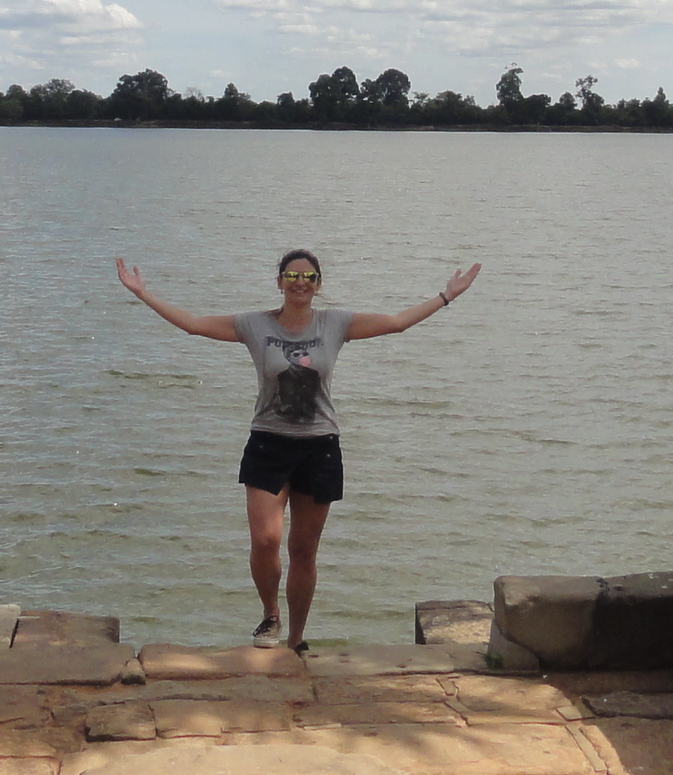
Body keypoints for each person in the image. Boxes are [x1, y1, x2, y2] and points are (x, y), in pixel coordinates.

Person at [113, 247, 483, 651]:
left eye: (308, 278)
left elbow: (396, 324)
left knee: (303, 550)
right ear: (279, 283)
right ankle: (270, 614)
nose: (300, 284)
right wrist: (142, 294)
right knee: (266, 541)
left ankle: (296, 638)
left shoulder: (335, 323)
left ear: (318, 285)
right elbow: (196, 326)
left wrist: (447, 297)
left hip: (319, 447)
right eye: (292, 277)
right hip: (268, 444)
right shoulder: (255, 325)